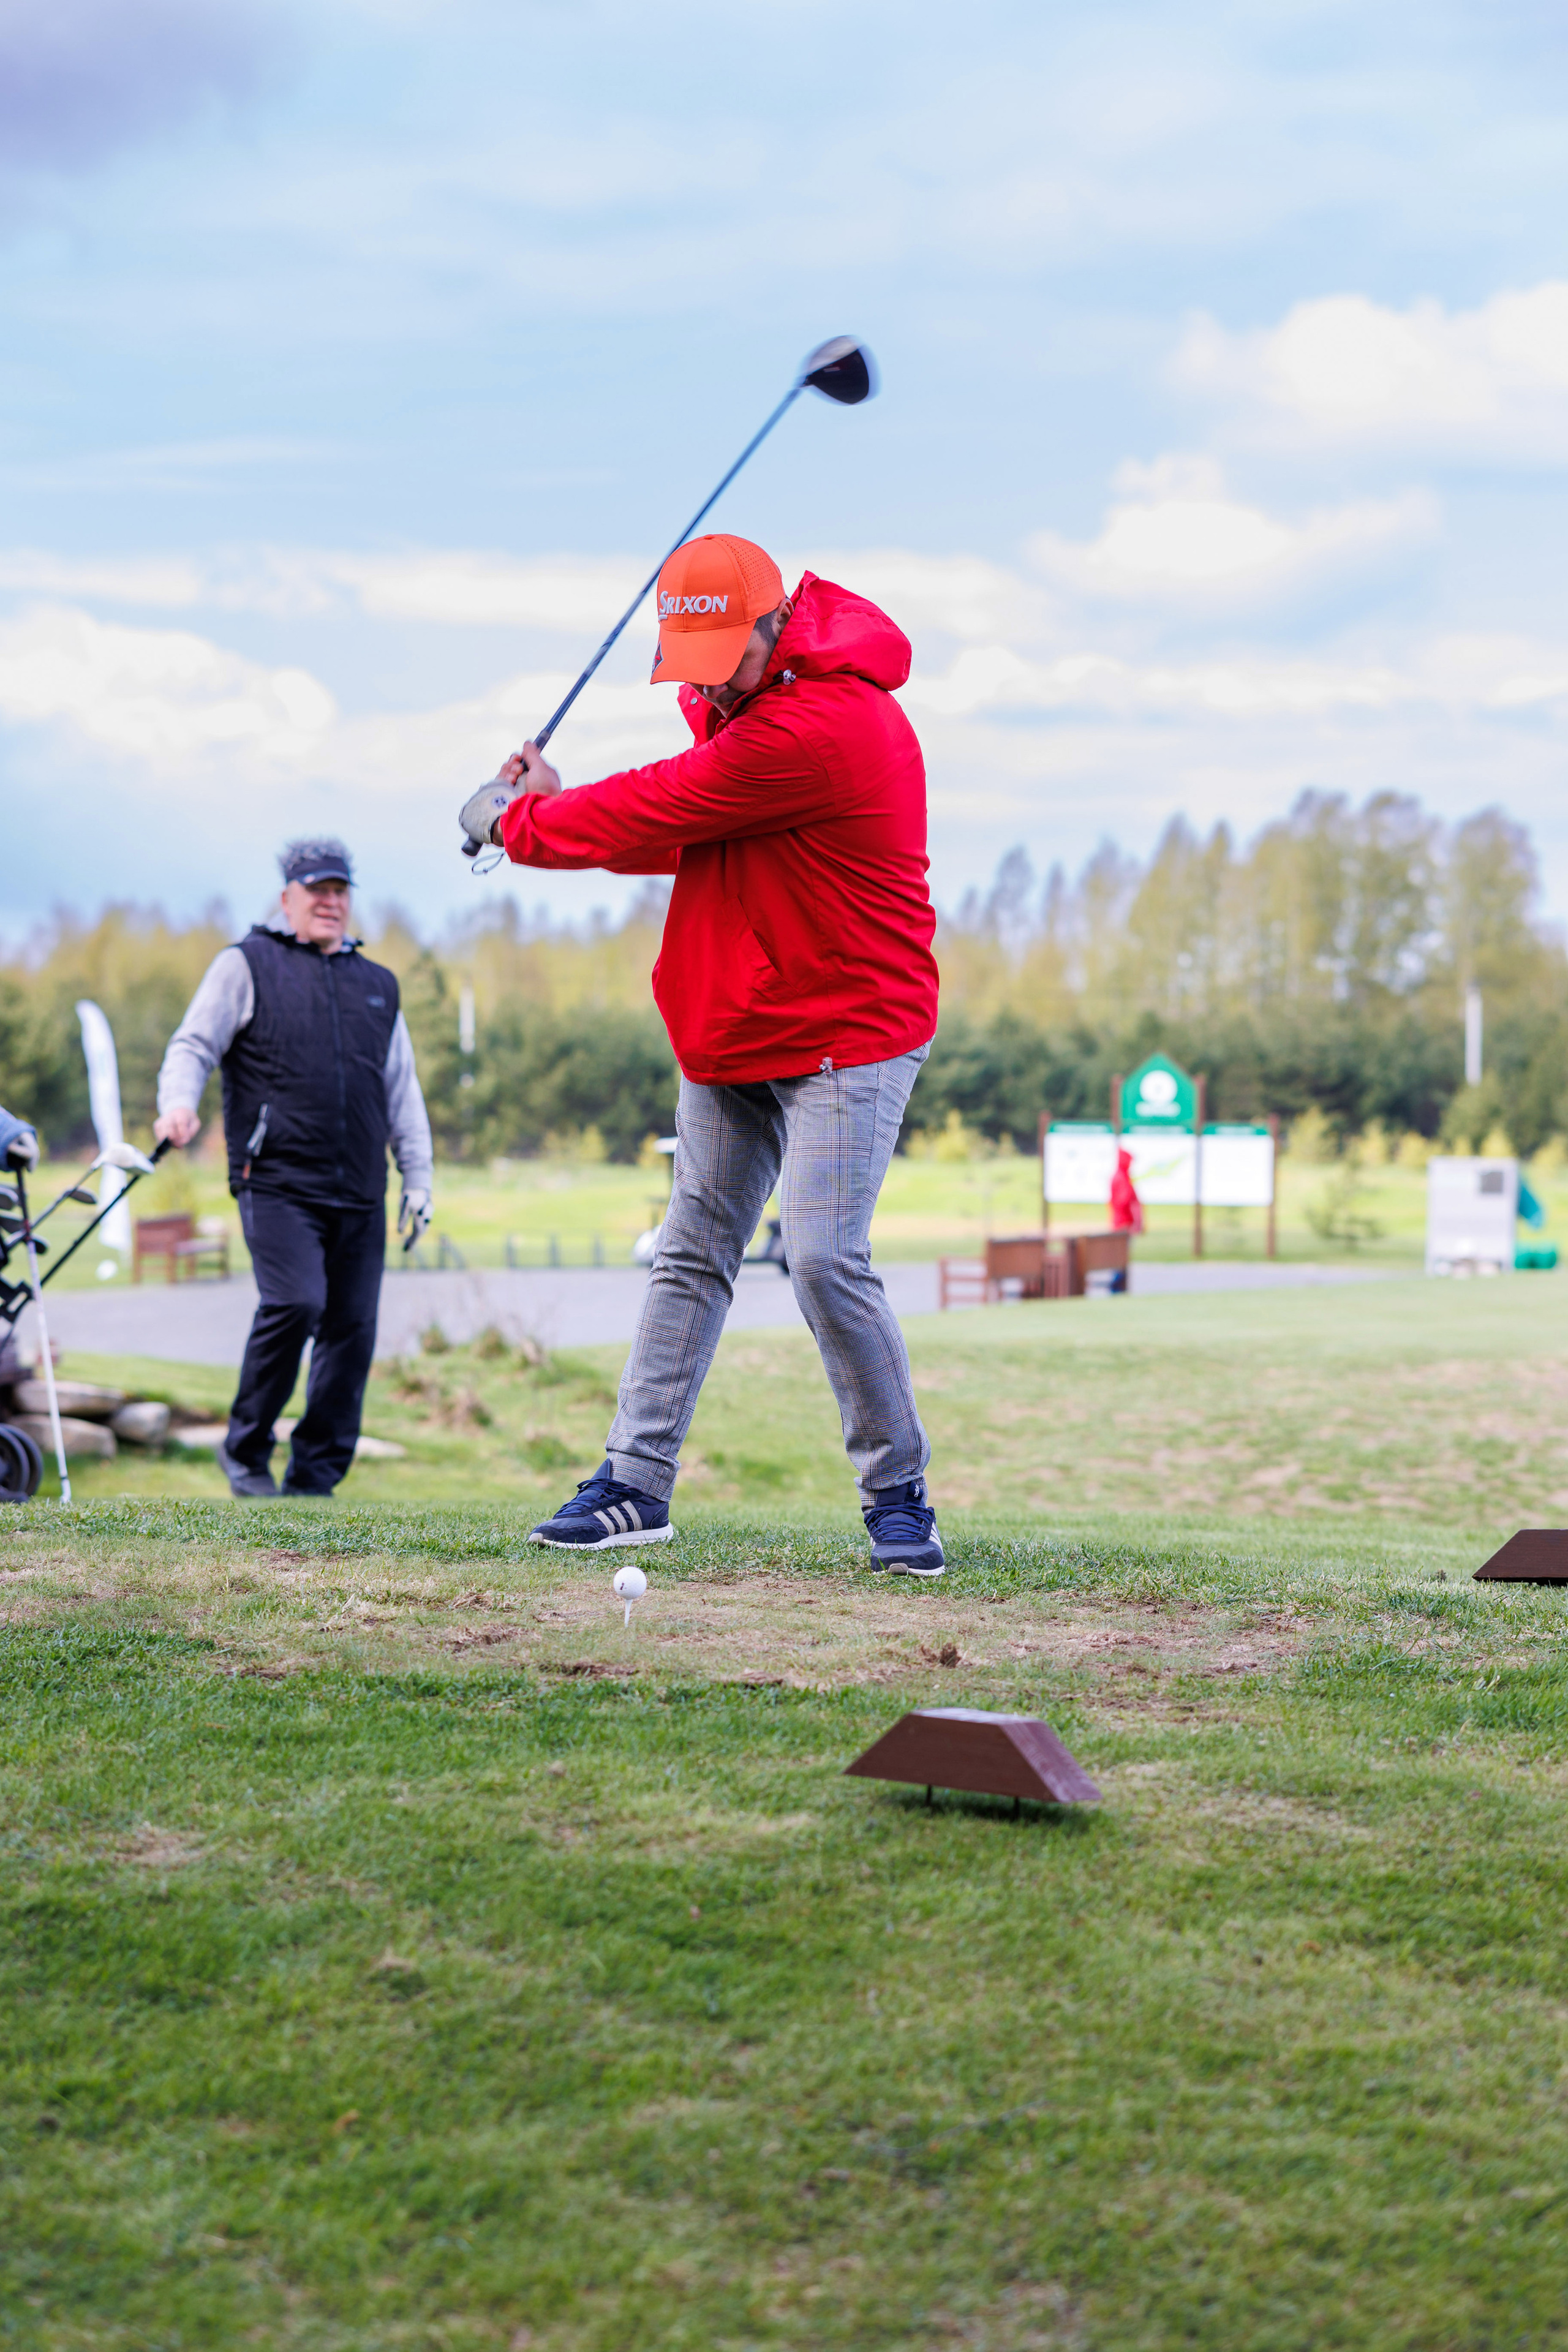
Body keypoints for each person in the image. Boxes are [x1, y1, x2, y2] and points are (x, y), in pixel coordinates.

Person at [460, 533, 944, 1574]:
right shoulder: (751, 717)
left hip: (848, 1031)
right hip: (738, 1022)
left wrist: (522, 823)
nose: (713, 683)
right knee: (689, 1251)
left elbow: (669, 803)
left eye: (729, 658)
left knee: (824, 1257)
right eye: (699, 665)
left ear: (777, 623)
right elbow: (681, 831)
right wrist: (543, 807)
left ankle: (898, 1493)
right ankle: (635, 1483)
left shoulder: (825, 725)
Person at [154, 839, 434, 1498]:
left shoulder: (378, 984)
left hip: (360, 1186)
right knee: (296, 1302)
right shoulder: (246, 964)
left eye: (341, 890)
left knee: (352, 1330)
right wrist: (177, 1104)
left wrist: (418, 1179)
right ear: (288, 898)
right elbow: (193, 1045)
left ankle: (315, 1478)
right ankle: (246, 1452)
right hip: (276, 1179)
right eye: (318, 890)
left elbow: (403, 1090)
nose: (331, 902)